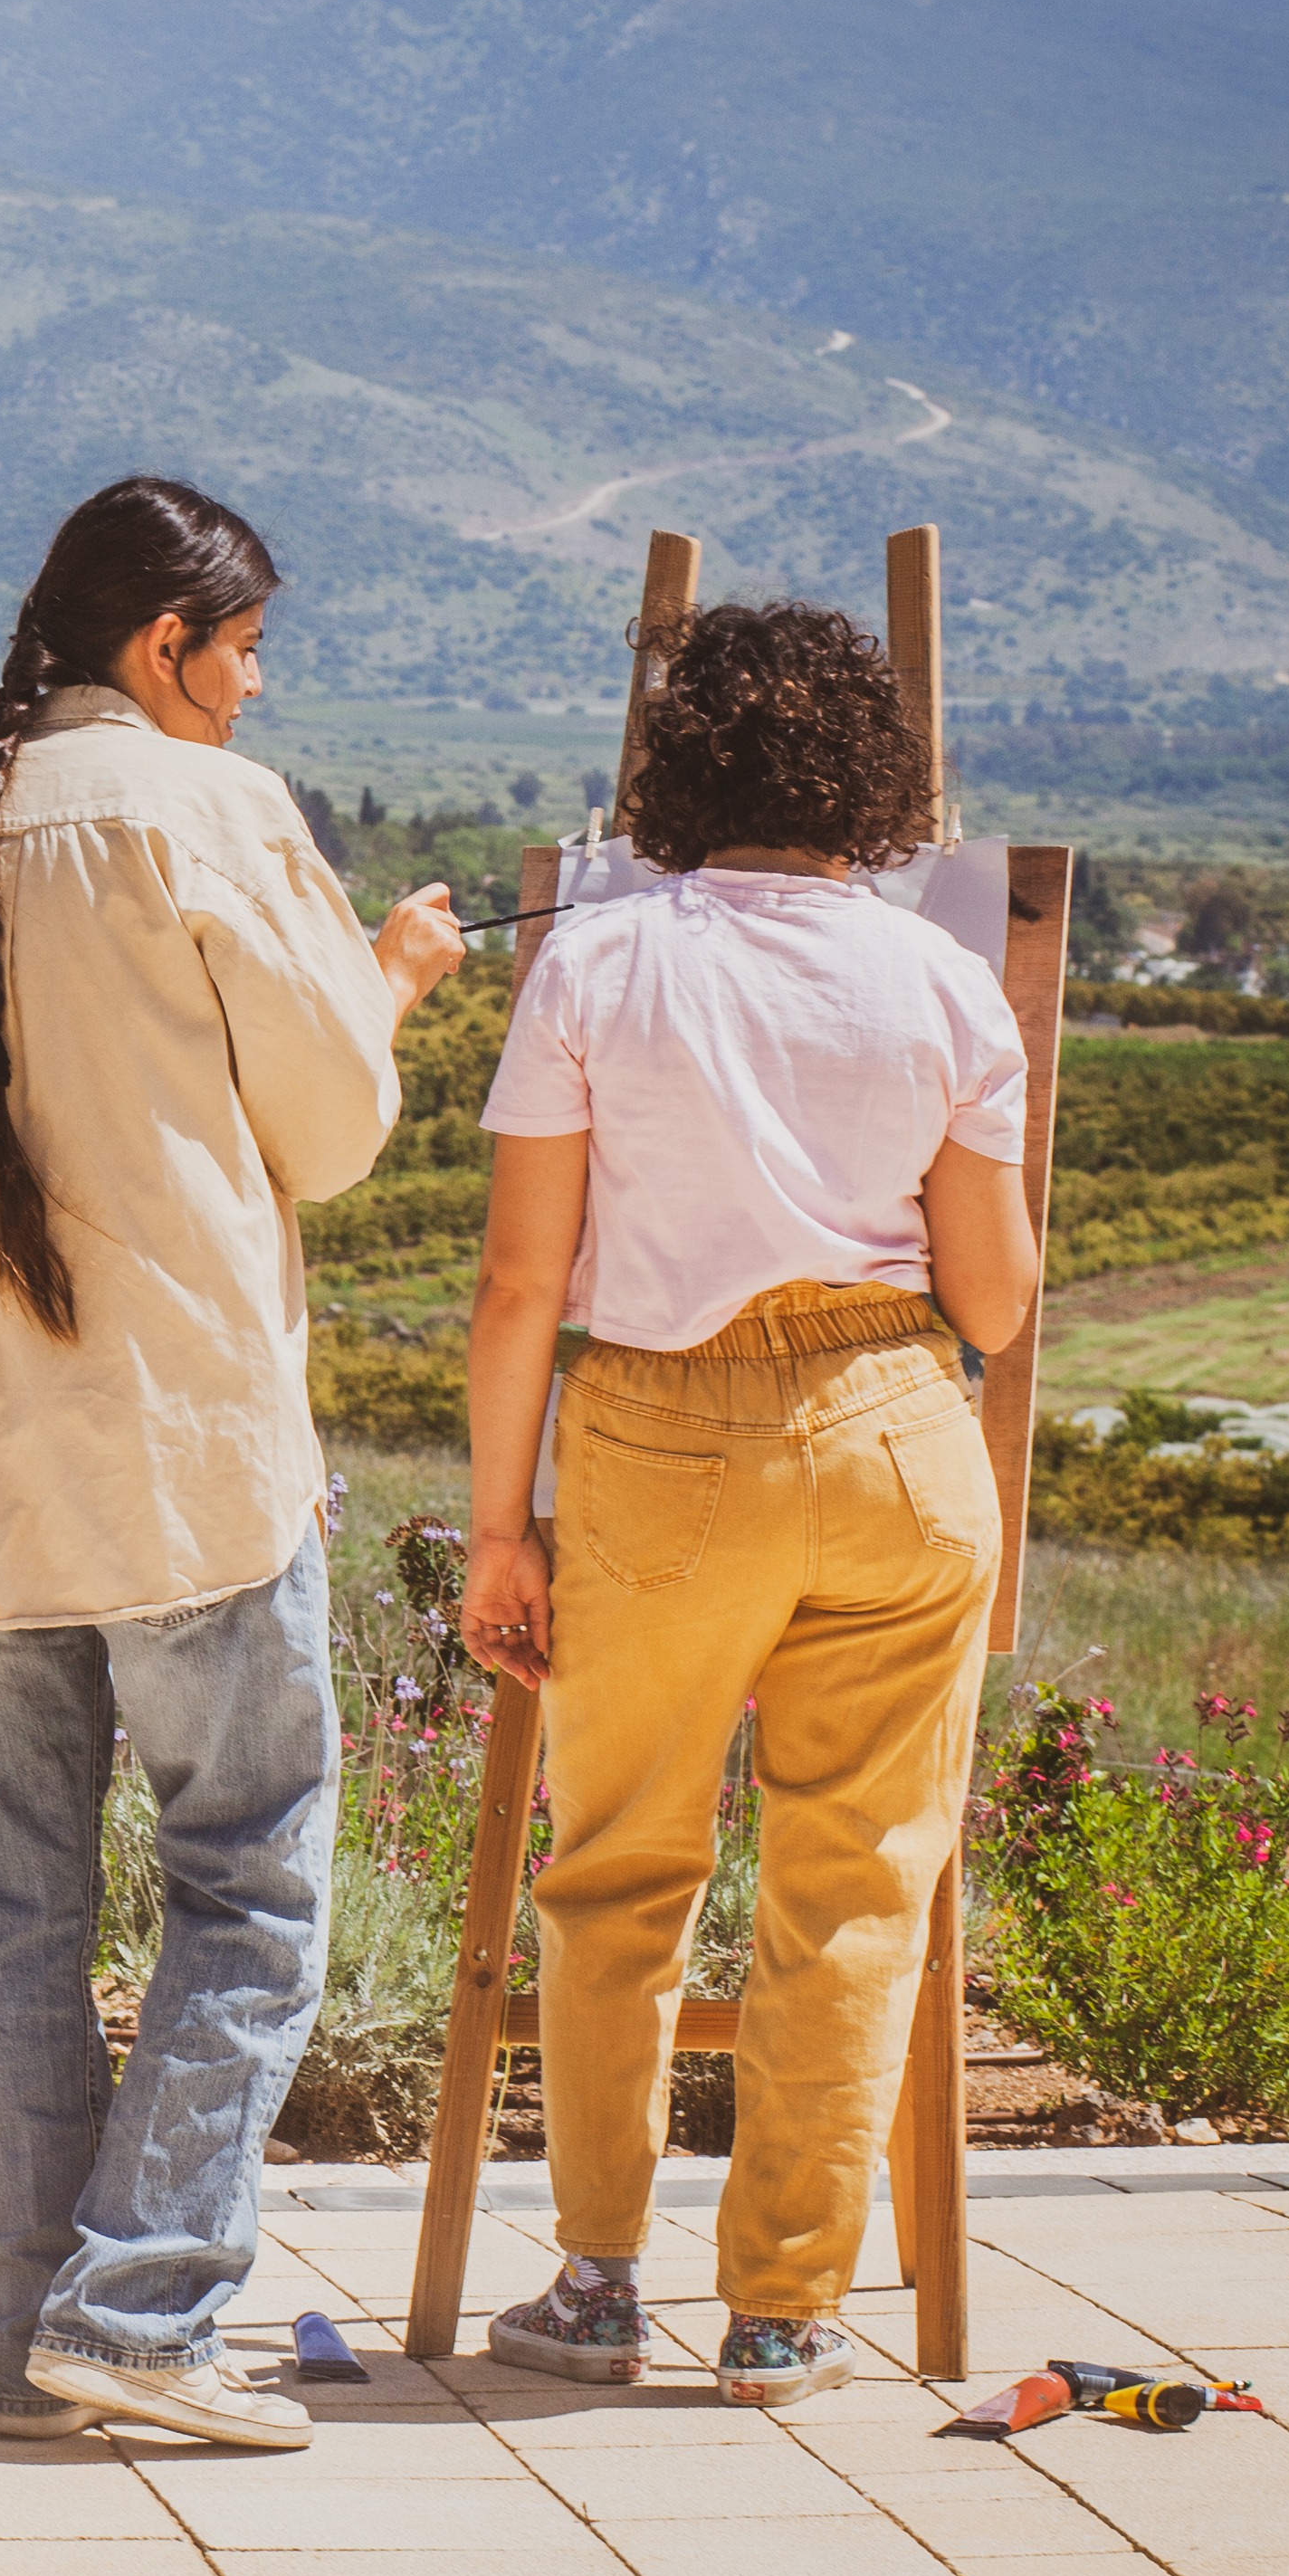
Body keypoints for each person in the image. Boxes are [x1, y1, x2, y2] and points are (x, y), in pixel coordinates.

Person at [0, 475, 463, 2452]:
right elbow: (330, 1126)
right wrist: (395, 978)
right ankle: (148, 2312)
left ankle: (34, 2342)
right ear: (159, 643)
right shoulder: (214, 818)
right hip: (180, 1455)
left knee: (9, 1912)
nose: (254, 690)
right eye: (242, 649)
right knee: (247, 1884)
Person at [456, 598, 1036, 2409]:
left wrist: (500, 1525)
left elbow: (517, 1291)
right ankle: (786, 2313)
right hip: (896, 1433)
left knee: (621, 1869)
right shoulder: (945, 985)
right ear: (875, 784)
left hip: (666, 1440)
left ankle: (602, 2284)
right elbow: (999, 1305)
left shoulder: (601, 968)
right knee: (858, 1890)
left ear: (674, 770)